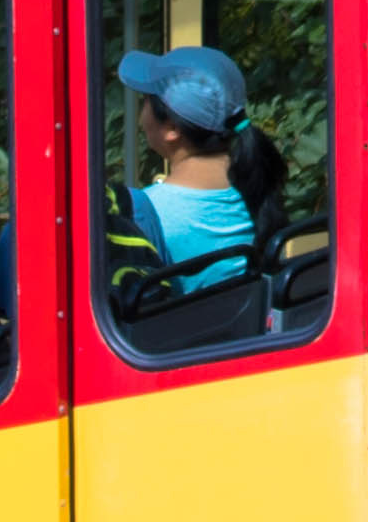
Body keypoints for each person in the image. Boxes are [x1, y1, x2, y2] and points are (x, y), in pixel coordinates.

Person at [102, 45, 291, 337]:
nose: (142, 114)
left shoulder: (141, 211)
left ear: (172, 129)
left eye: (147, 101)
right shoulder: (256, 187)